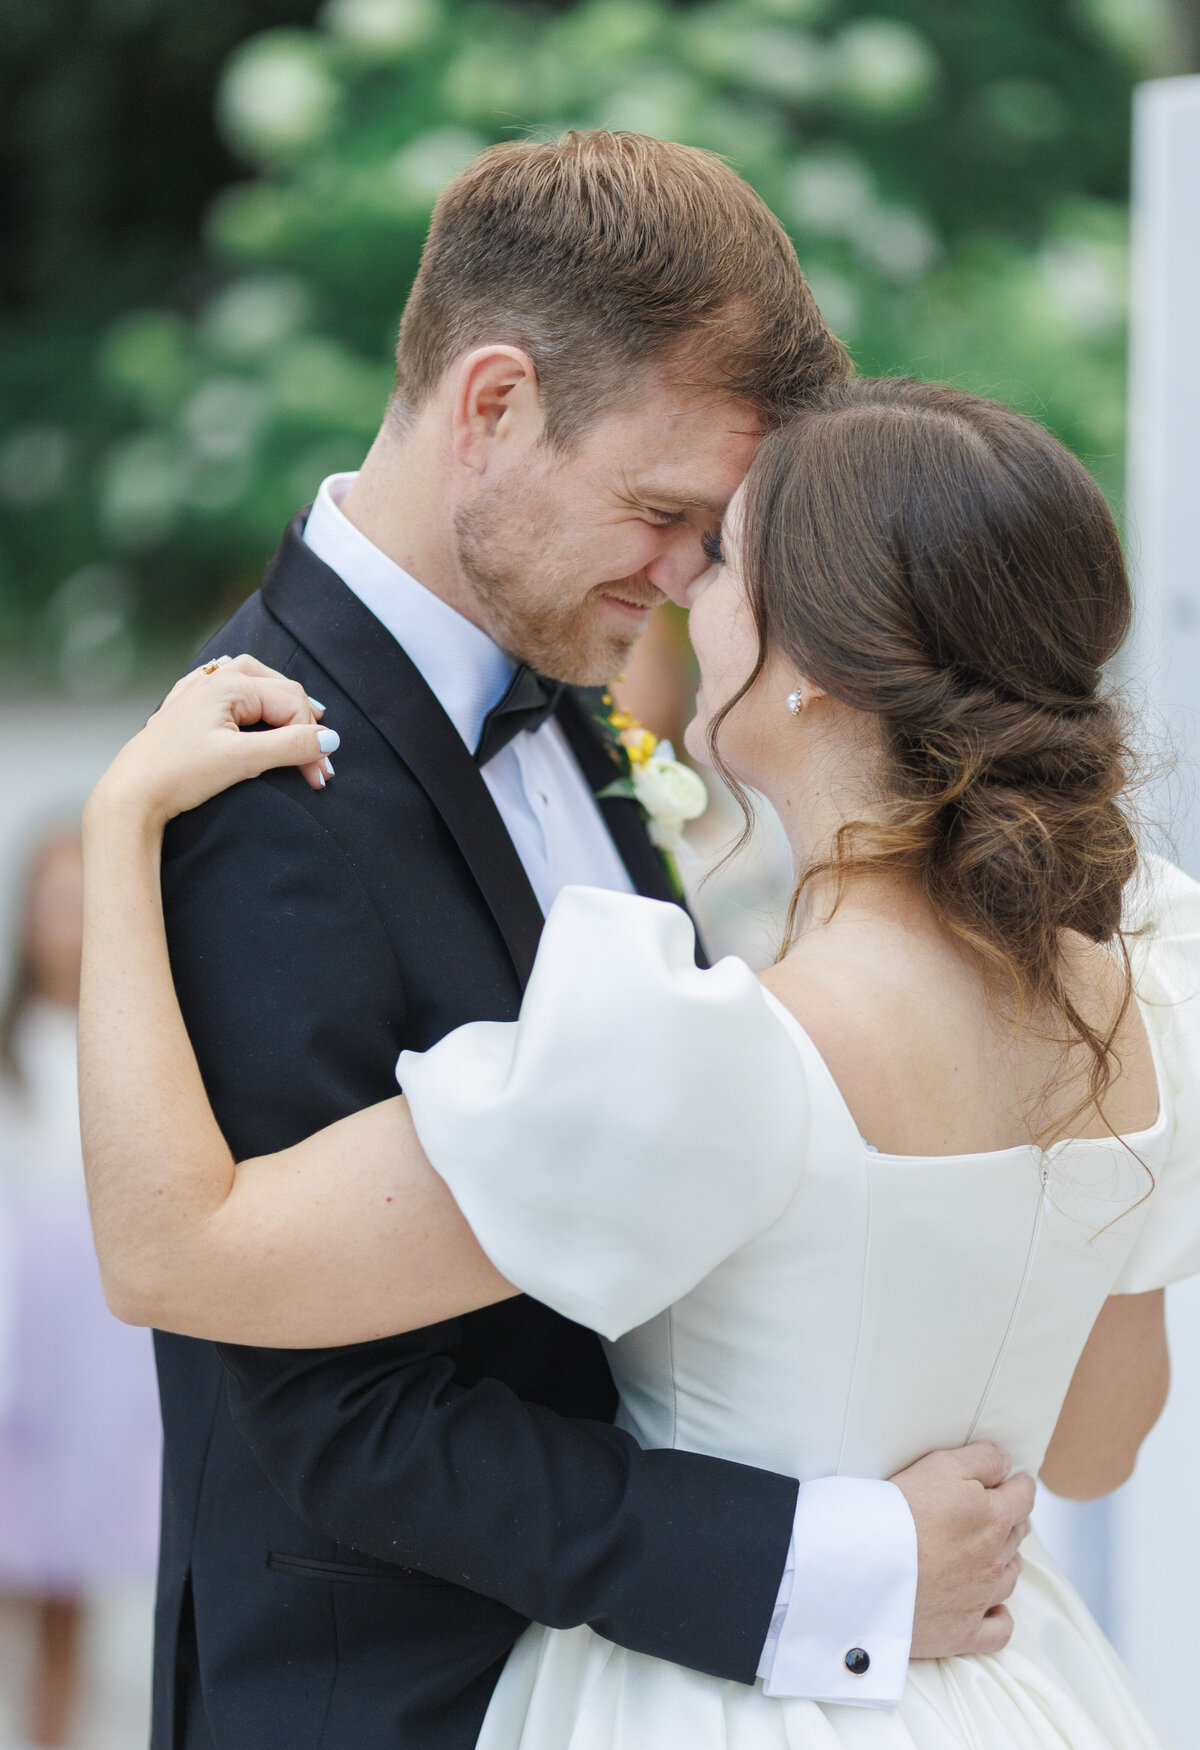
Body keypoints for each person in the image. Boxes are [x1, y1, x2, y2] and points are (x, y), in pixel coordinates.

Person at [82, 134, 1034, 1749]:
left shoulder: (575, 694)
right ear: (494, 404)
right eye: (663, 511)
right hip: (390, 1704)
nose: (687, 579)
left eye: (711, 535)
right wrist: (826, 1562)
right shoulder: (250, 780)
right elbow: (337, 1417)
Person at [0, 829, 161, 1750]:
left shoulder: (132, 1042)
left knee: (65, 1561)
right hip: (19, 1322)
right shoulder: (13, 1044)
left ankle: (51, 1730)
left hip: (93, 1340)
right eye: (54, 904)